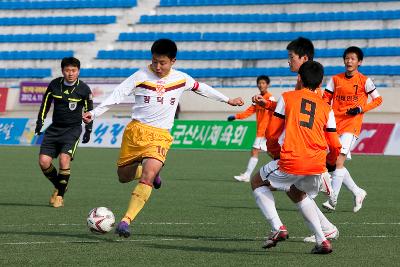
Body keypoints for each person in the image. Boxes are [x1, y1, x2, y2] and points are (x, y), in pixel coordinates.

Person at [82, 38, 244, 238]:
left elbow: (202, 88)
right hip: (136, 132)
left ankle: (126, 220)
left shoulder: (181, 78)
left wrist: (228, 100)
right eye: (155, 61)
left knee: (147, 176)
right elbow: (117, 94)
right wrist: (95, 113)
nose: (157, 67)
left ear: (173, 61)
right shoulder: (140, 76)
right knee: (123, 176)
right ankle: (150, 172)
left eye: (163, 63)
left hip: (160, 135)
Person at [251, 61, 342, 254]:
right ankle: (322, 240)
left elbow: (273, 133)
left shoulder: (287, 97)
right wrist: (330, 164)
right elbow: (334, 144)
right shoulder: (327, 107)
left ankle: (278, 228)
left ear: (299, 77)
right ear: (320, 84)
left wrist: (275, 152)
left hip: (292, 161)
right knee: (297, 192)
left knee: (257, 182)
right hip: (317, 165)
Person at [321, 46, 383, 213]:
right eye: (347, 58)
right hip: (334, 125)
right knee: (333, 164)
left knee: (339, 161)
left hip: (352, 126)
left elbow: (378, 100)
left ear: (359, 62)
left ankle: (332, 199)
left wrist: (361, 109)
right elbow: (325, 99)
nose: (349, 61)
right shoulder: (335, 79)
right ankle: (358, 192)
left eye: (353, 59)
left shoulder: (365, 81)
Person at [35, 57, 93, 208]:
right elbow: (45, 104)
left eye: (73, 70)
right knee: (43, 162)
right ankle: (61, 185)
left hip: (72, 130)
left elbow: (89, 111)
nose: (70, 73)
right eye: (67, 70)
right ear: (62, 71)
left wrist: (88, 130)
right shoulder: (55, 85)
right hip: (54, 129)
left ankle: (60, 196)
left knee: (64, 159)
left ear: (78, 71)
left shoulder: (84, 89)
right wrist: (40, 122)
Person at [227, 75, 275, 182]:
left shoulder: (270, 98)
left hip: (266, 132)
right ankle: (288, 171)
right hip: (263, 132)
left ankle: (247, 175)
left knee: (254, 151)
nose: (261, 85)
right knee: (272, 154)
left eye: (263, 83)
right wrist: (235, 116)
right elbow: (248, 112)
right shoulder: (257, 99)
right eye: (259, 83)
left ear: (267, 85)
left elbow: (275, 114)